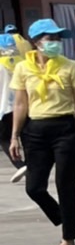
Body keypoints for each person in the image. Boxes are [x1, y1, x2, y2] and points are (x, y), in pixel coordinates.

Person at [8, 18, 75, 245]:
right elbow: (20, 104)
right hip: (35, 132)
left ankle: (68, 239)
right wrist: (14, 136)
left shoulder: (70, 66)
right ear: (36, 42)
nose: (55, 43)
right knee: (34, 188)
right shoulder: (22, 68)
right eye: (51, 39)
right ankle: (69, 221)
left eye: (58, 38)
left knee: (65, 185)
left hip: (65, 129)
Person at [1, 33, 23, 184]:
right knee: (22, 135)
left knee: (4, 139)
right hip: (21, 106)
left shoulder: (1, 64)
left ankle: (21, 165)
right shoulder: (21, 61)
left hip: (4, 108)